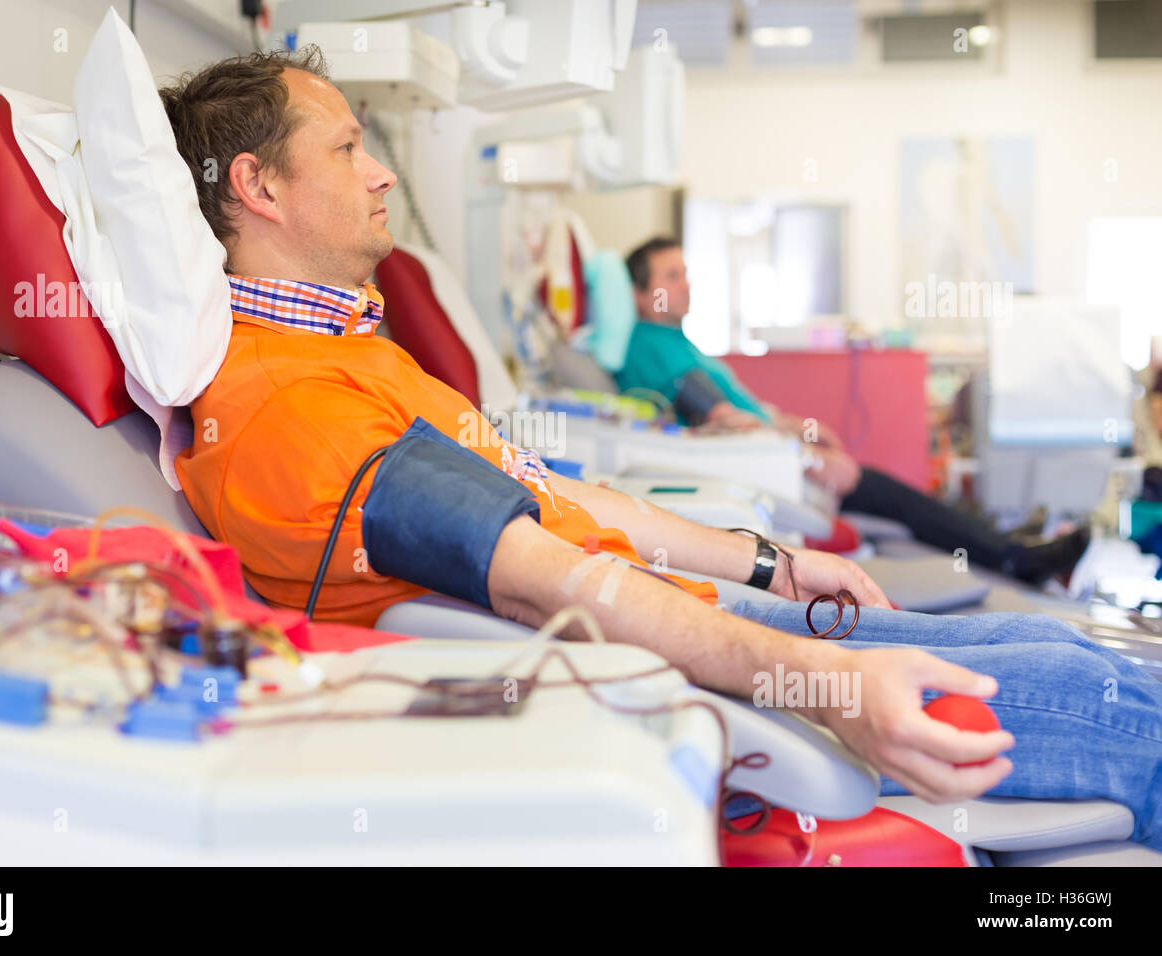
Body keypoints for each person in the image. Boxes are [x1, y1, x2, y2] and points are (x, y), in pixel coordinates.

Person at [160, 48, 1162, 848]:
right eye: (345, 150)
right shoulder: (288, 407)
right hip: (694, 658)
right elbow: (547, 581)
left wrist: (777, 562)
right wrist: (820, 683)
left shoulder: (351, 351)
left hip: (711, 612)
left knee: (1069, 646)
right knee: (1121, 710)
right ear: (257, 185)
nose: (379, 171)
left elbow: (558, 496)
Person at [617, 237, 1090, 583]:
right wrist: (808, 458)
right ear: (640, 294)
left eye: (685, 273)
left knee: (901, 499)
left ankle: (1002, 542)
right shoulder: (649, 350)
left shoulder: (679, 342)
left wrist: (801, 430)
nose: (685, 285)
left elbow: (744, 411)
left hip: (781, 455)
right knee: (900, 501)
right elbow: (721, 421)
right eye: (671, 277)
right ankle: (1010, 557)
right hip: (773, 469)